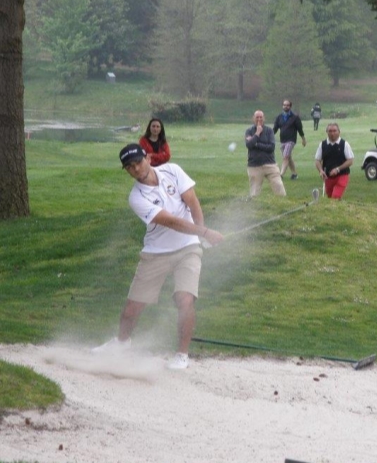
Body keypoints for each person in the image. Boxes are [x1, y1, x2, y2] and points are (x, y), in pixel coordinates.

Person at [92, 144, 224, 370]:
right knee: (132, 309)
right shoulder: (136, 198)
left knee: (185, 299)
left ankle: (182, 355)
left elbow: (192, 202)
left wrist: (201, 234)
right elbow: (170, 221)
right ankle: (122, 343)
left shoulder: (173, 170)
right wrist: (204, 232)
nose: (136, 169)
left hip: (188, 247)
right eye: (130, 167)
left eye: (138, 162)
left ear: (148, 157)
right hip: (156, 252)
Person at [245, 110, 287, 197]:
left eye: (261, 117)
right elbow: (249, 145)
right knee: (254, 193)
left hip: (270, 164)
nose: (259, 119)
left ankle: (282, 204)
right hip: (254, 166)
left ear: (264, 118)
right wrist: (257, 133)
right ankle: (256, 207)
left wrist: (256, 144)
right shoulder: (249, 131)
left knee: (279, 187)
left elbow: (271, 147)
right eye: (257, 117)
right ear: (253, 118)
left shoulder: (269, 131)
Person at [315, 123, 354, 200]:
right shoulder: (322, 145)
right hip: (328, 177)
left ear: (339, 132)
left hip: (342, 175)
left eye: (334, 131)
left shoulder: (344, 144)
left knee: (335, 197)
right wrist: (320, 171)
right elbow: (317, 160)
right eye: (330, 131)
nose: (332, 133)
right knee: (330, 198)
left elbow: (350, 160)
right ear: (327, 132)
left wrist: (338, 169)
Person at [273, 99, 307, 180]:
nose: (286, 106)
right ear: (282, 106)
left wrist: (303, 139)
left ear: (290, 106)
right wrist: (268, 136)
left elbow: (300, 129)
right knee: (288, 158)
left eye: (287, 105)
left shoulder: (295, 117)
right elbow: (275, 129)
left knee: (285, 157)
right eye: (284, 105)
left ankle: (281, 175)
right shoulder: (279, 117)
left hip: (291, 140)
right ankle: (294, 174)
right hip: (282, 141)